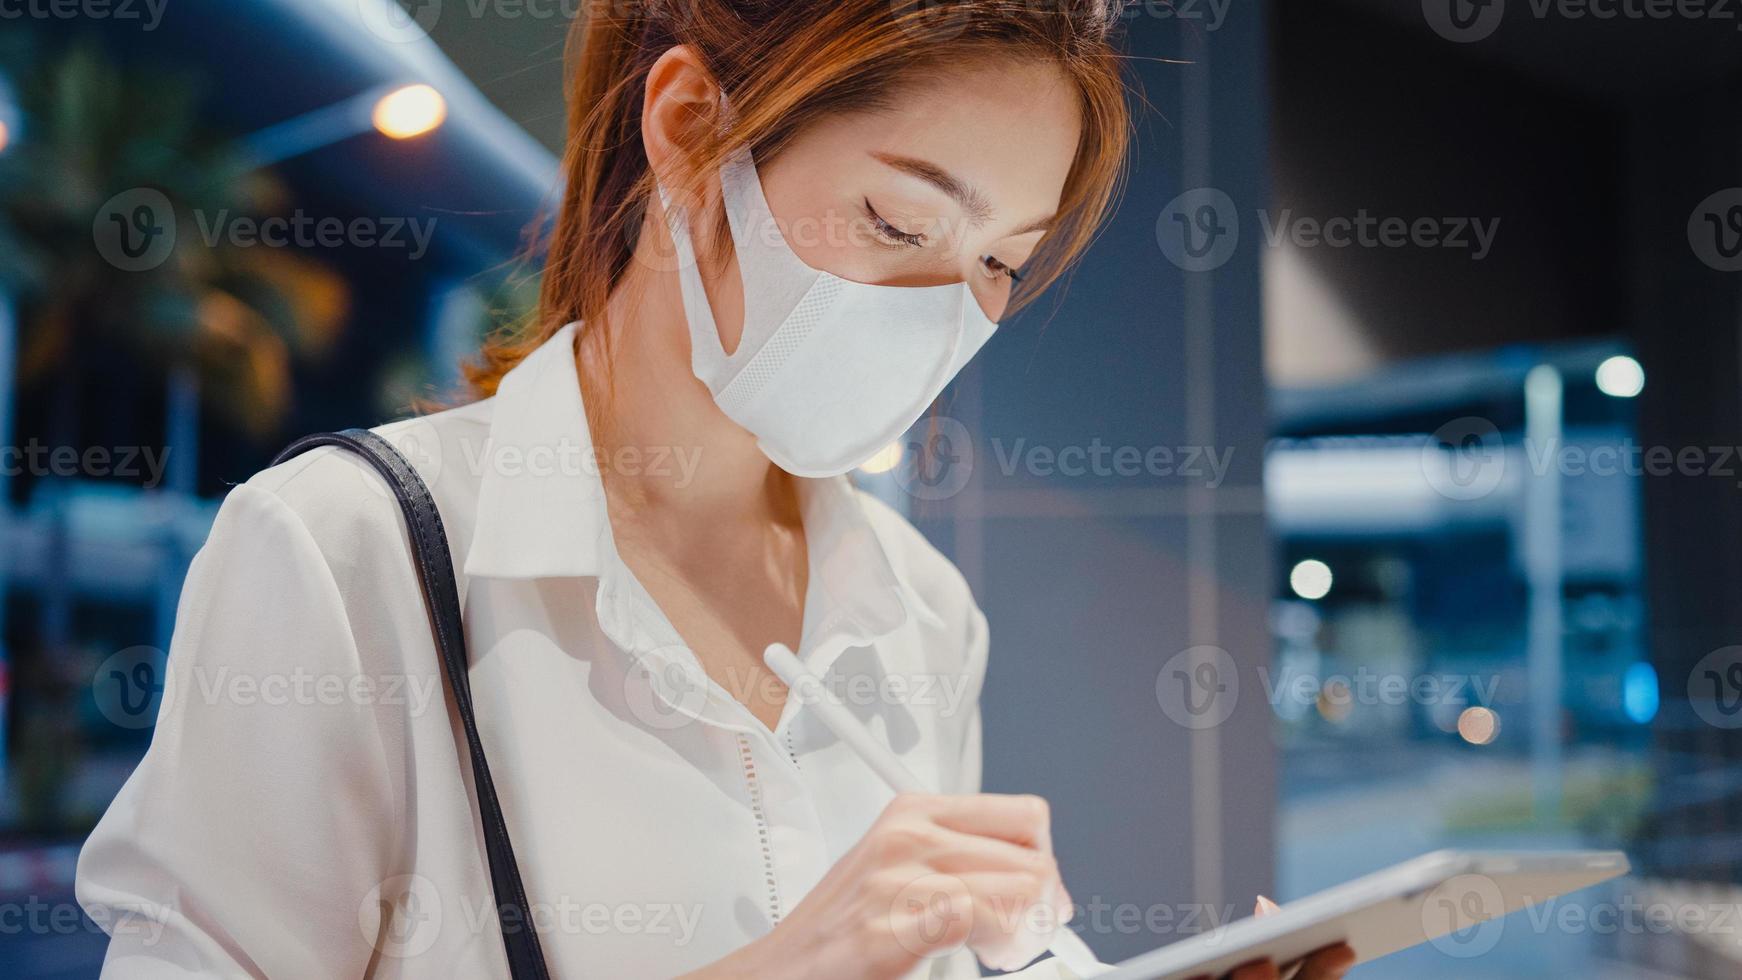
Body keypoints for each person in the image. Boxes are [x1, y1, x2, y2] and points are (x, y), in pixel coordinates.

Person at [77, 2, 1355, 977]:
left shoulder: (917, 609)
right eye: (900, 224)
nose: (940, 319)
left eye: (999, 265)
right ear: (690, 127)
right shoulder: (347, 553)